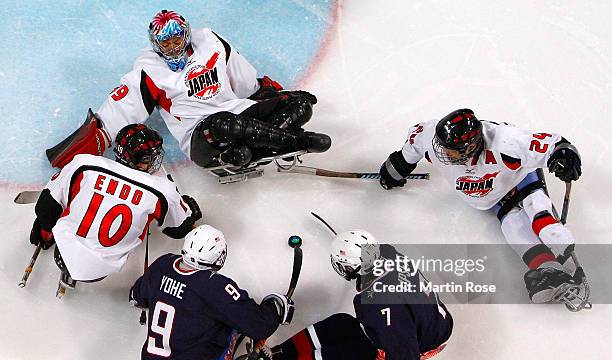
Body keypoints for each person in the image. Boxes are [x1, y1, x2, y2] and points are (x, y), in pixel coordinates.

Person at [45, 9, 331, 175]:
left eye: (177, 39)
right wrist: (74, 154)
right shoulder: (149, 71)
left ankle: (246, 151)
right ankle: (298, 141)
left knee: (301, 103)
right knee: (224, 124)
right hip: (201, 137)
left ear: (187, 34)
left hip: (237, 114)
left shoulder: (210, 41)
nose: (172, 47)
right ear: (156, 44)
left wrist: (266, 94)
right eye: (165, 43)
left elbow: (243, 78)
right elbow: (117, 113)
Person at [378, 108, 588, 309]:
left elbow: (553, 144)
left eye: (449, 150)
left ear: (470, 147)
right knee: (514, 230)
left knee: (539, 218)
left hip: (521, 183)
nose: (442, 152)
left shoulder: (505, 140)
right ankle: (548, 269)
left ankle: (556, 236)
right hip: (497, 203)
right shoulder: (434, 140)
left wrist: (564, 155)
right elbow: (415, 141)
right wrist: (397, 167)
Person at [250, 230, 452, 360]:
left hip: (425, 343)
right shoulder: (389, 254)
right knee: (341, 323)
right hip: (425, 319)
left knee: (355, 353)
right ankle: (282, 352)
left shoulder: (381, 306)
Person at [29, 123, 202, 297]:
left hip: (62, 253)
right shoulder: (163, 190)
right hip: (102, 269)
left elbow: (45, 206)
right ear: (140, 160)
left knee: (61, 200)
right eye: (148, 158)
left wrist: (45, 232)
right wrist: (188, 208)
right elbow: (179, 230)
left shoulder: (84, 164)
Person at [128, 224, 294, 360]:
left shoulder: (163, 263)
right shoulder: (216, 287)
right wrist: (276, 307)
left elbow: (136, 296)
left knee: (205, 313)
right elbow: (260, 326)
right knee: (232, 323)